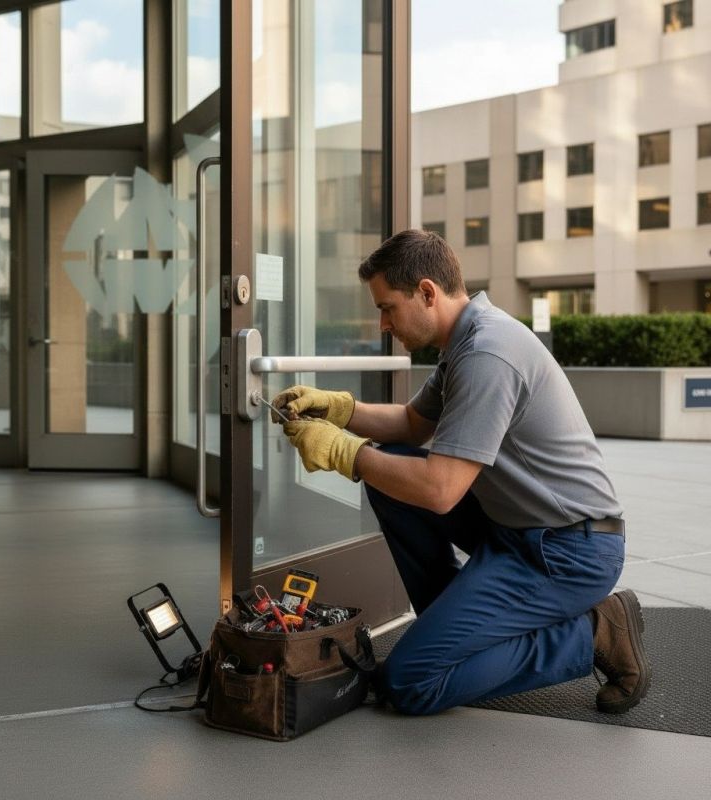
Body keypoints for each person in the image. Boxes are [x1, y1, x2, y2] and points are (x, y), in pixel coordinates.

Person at [271, 229, 650, 716]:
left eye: (388, 307)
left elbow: (441, 491)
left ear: (427, 293)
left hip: (568, 552)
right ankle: (454, 626)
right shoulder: (466, 342)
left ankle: (596, 631)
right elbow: (411, 426)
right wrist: (339, 410)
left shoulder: (488, 353)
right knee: (392, 470)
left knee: (409, 683)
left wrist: (345, 453)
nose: (383, 323)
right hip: (519, 531)